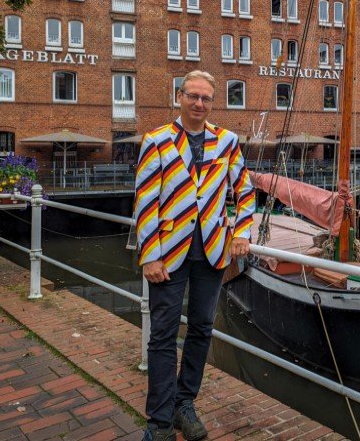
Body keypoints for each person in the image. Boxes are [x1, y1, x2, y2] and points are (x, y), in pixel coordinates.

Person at [134, 70, 255, 441]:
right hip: (168, 254)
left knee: (202, 329)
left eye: (205, 98)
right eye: (192, 96)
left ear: (211, 102)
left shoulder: (227, 141)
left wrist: (241, 232)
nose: (199, 104)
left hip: (212, 252)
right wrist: (149, 255)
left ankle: (184, 404)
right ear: (179, 96)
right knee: (163, 335)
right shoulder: (157, 140)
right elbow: (144, 201)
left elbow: (245, 190)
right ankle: (158, 421)